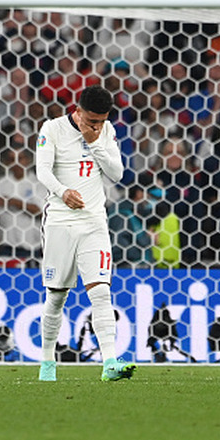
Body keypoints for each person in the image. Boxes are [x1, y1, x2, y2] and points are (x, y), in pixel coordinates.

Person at [34, 85, 135, 382]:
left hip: (93, 222)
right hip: (60, 222)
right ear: (77, 112)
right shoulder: (52, 129)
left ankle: (109, 363)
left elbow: (117, 174)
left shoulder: (104, 133)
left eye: (102, 121)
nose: (96, 126)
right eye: (91, 121)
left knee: (101, 292)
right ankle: (47, 363)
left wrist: (97, 143)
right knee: (56, 296)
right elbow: (43, 170)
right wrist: (63, 192)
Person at [0, 147, 44, 263]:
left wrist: (15, 203)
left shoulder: (38, 184)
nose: (16, 163)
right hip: (6, 247)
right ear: (7, 162)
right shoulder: (0, 184)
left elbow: (42, 212)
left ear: (28, 160)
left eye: (20, 158)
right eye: (12, 159)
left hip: (33, 247)